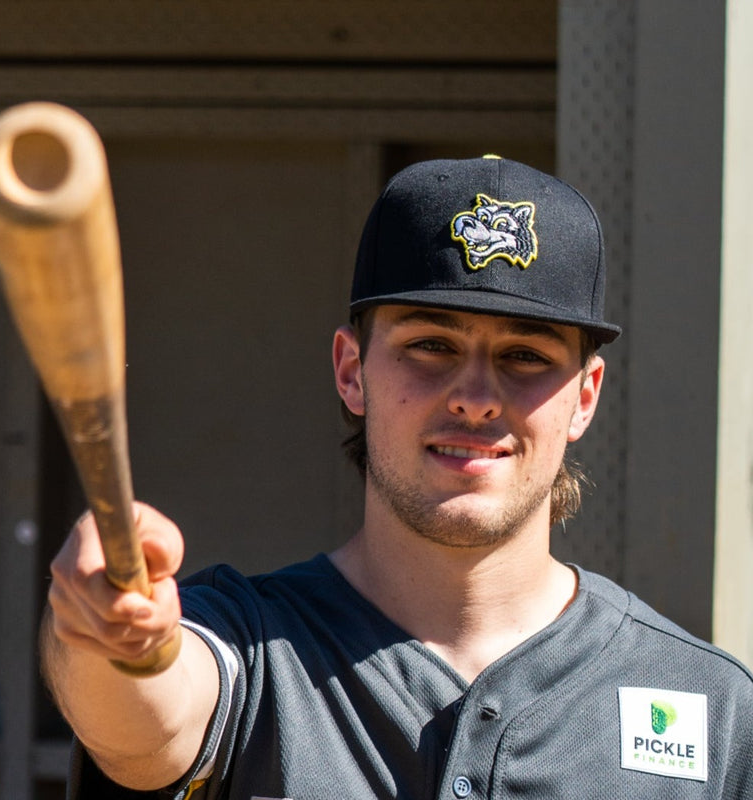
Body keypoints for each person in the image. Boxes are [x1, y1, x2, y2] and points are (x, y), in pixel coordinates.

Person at [41, 155, 753, 799]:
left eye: (526, 356)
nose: (475, 395)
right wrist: (107, 638)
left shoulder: (711, 706)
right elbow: (144, 725)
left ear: (585, 396)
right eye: (430, 344)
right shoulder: (246, 645)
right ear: (352, 371)